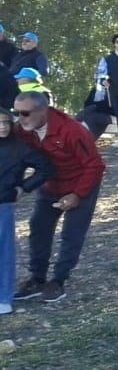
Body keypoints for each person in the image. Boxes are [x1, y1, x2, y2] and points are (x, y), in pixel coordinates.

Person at [12, 87, 106, 303]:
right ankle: (37, 278)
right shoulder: (22, 130)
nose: (20, 118)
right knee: (38, 228)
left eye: (25, 113)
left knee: (72, 234)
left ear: (43, 110)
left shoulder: (72, 130)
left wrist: (77, 195)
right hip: (51, 185)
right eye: (16, 113)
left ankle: (59, 280)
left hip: (81, 183)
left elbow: (95, 165)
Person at [0, 104, 51, 313]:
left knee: (3, 252)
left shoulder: (20, 147)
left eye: (5, 122)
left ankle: (4, 297)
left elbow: (45, 167)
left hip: (3, 203)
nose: (2, 127)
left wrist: (24, 187)